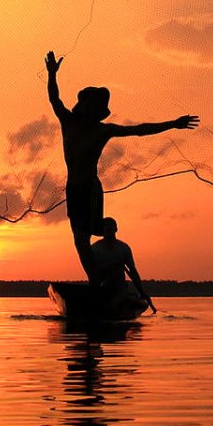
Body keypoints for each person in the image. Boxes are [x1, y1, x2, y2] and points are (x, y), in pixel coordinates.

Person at [45, 50, 197, 278]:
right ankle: (97, 274)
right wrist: (52, 75)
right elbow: (54, 99)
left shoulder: (103, 130)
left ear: (98, 112)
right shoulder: (68, 121)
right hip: (73, 189)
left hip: (90, 189)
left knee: (84, 235)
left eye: (95, 107)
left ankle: (100, 275)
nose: (91, 109)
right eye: (88, 104)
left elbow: (139, 130)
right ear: (82, 106)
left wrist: (173, 124)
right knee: (79, 239)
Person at [86, 216, 155, 314]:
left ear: (116, 229)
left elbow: (133, 271)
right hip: (101, 286)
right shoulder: (95, 249)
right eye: (106, 229)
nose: (109, 232)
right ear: (102, 231)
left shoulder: (123, 248)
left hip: (119, 286)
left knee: (129, 295)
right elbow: (92, 271)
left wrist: (142, 292)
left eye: (111, 229)